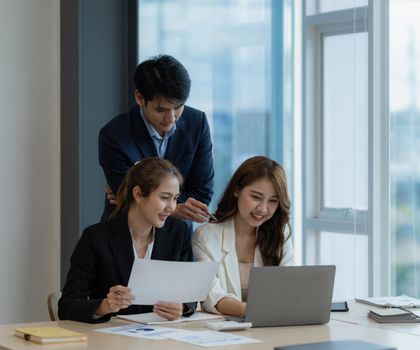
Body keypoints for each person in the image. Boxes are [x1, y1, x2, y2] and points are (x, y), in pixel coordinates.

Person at [58, 157, 197, 323]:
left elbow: (190, 294)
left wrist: (182, 307)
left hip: (164, 336)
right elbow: (67, 306)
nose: (172, 208)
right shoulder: (95, 238)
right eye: (164, 197)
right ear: (138, 194)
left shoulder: (178, 232)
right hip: (111, 340)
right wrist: (105, 306)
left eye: (175, 198)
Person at [98, 54, 214, 223]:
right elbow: (125, 197)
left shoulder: (197, 123)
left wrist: (145, 199)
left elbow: (202, 194)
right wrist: (176, 209)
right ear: (139, 98)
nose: (171, 117)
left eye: (178, 107)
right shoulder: (113, 135)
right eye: (161, 110)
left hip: (177, 236)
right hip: (125, 233)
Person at [192, 156, 294, 316]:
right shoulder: (206, 236)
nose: (263, 209)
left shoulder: (280, 234)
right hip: (225, 330)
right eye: (256, 197)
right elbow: (211, 295)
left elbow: (290, 286)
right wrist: (252, 311)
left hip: (271, 325)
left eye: (273, 201)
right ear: (236, 190)